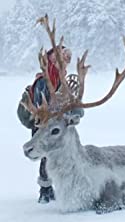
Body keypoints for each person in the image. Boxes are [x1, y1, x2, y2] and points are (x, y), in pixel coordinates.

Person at [16, 45, 83, 204]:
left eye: (65, 60)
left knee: (58, 156)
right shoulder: (43, 81)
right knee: (46, 156)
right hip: (42, 127)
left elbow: (75, 107)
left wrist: (72, 112)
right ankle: (45, 190)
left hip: (58, 127)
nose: (63, 63)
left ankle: (58, 187)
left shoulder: (63, 81)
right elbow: (42, 106)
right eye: (58, 59)